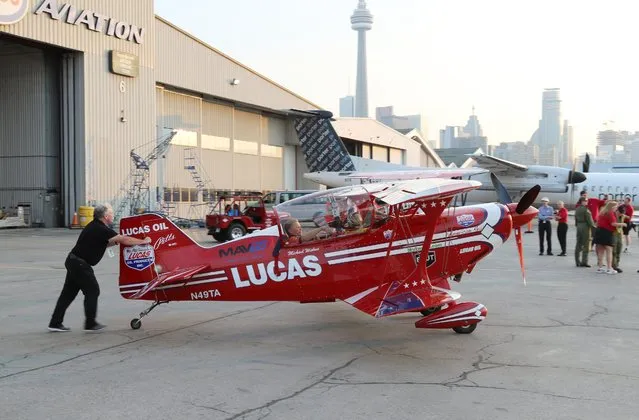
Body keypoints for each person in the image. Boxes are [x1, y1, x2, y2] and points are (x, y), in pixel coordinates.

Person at [48, 204, 151, 332]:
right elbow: (123, 239)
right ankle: (90, 324)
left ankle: (55, 323)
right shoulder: (100, 228)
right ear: (106, 216)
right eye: (111, 213)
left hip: (74, 261)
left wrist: (118, 242)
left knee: (68, 295)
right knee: (93, 290)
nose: (113, 215)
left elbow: (104, 243)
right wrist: (143, 241)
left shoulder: (94, 226)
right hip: (80, 264)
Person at [594, 201, 625, 275]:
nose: (616, 208)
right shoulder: (610, 213)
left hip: (599, 232)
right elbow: (613, 224)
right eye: (616, 207)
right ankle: (609, 268)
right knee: (609, 251)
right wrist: (623, 224)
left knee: (601, 251)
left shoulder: (602, 212)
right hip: (607, 233)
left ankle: (600, 268)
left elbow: (597, 222)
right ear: (612, 207)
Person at [574, 196, 596, 267]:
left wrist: (577, 225)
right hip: (585, 227)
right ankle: (584, 261)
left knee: (578, 244)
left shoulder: (577, 209)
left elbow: (576, 219)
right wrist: (594, 229)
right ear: (582, 201)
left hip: (579, 226)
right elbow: (590, 221)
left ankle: (577, 261)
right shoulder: (586, 210)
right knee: (586, 244)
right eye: (585, 201)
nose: (587, 202)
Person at [612, 204, 626, 273]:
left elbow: (627, 217)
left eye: (622, 213)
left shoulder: (622, 216)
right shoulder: (613, 215)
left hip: (619, 234)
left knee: (619, 250)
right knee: (613, 251)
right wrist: (622, 224)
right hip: (613, 234)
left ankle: (616, 265)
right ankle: (613, 266)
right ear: (617, 211)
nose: (621, 214)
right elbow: (613, 224)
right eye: (620, 213)